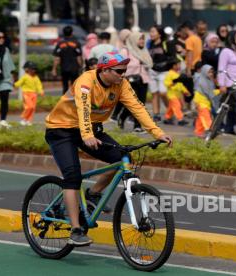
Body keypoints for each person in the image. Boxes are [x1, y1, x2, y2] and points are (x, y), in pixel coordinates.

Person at [44, 51, 172, 246]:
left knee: (123, 158)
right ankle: (76, 229)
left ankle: (94, 194)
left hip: (91, 129)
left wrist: (157, 133)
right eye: (119, 71)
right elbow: (83, 110)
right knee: (72, 176)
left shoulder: (121, 84)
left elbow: (137, 108)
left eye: (125, 70)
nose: (123, 74)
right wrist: (87, 135)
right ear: (104, 70)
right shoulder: (86, 82)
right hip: (62, 130)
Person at [117, 31, 153, 133]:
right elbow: (119, 65)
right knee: (132, 104)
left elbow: (150, 63)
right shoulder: (125, 51)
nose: (142, 41)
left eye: (143, 39)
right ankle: (122, 117)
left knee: (141, 104)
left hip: (143, 80)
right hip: (130, 81)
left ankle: (137, 126)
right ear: (133, 40)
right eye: (140, 39)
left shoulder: (144, 51)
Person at [148, 24, 176, 122]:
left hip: (164, 71)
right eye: (150, 31)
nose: (150, 34)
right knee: (154, 93)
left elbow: (173, 57)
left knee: (163, 92)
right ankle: (156, 114)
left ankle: (170, 112)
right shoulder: (149, 43)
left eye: (153, 31)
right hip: (152, 71)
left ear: (159, 33)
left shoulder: (167, 43)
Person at [52, 26, 83, 95]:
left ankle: (64, 102)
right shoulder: (76, 43)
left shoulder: (60, 44)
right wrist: (81, 67)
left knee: (65, 86)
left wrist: (54, 69)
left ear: (63, 33)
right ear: (72, 33)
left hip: (64, 68)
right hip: (74, 68)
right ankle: (74, 102)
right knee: (74, 86)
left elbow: (57, 58)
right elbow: (79, 57)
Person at [14, 61, 44, 126]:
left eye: (34, 69)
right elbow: (19, 83)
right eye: (32, 69)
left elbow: (38, 85)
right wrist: (14, 85)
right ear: (27, 69)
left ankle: (29, 120)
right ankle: (24, 118)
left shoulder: (36, 77)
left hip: (34, 94)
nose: (33, 70)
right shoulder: (25, 77)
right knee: (29, 107)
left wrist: (40, 91)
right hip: (26, 94)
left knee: (33, 108)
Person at [163, 59, 190, 126]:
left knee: (171, 108)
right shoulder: (169, 74)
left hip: (177, 94)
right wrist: (173, 83)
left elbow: (180, 84)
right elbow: (166, 83)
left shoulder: (177, 74)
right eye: (178, 64)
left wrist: (185, 91)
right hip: (171, 94)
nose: (180, 66)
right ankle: (180, 119)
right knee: (177, 106)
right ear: (174, 66)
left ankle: (167, 118)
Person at [193, 64, 217, 137]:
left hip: (206, 103)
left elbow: (211, 92)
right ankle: (210, 131)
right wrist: (196, 103)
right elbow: (197, 93)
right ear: (204, 72)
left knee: (201, 119)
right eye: (209, 72)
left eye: (212, 72)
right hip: (201, 103)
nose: (211, 74)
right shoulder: (201, 81)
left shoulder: (209, 81)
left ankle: (199, 132)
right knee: (206, 117)